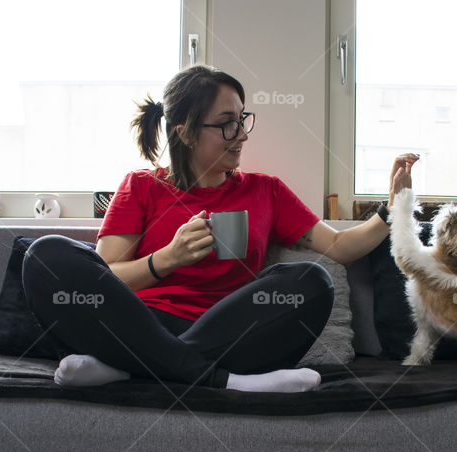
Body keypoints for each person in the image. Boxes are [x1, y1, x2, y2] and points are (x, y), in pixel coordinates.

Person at [22, 64, 418, 393]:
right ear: (187, 133)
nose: (242, 134)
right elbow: (106, 278)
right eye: (227, 124)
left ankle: (129, 370)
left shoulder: (266, 190)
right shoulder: (140, 187)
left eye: (242, 119)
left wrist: (392, 207)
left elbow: (340, 247)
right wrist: (165, 260)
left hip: (231, 334)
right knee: (45, 255)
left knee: (313, 282)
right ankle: (225, 382)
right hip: (143, 325)